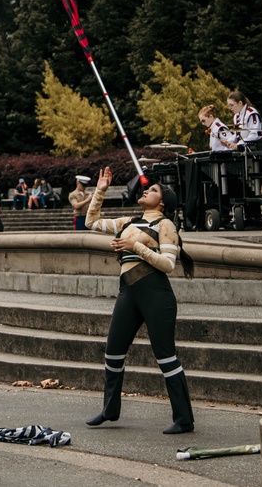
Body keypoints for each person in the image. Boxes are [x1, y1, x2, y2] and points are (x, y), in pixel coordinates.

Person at [84, 166, 195, 434]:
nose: (146, 191)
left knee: (166, 356)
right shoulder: (128, 222)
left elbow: (168, 264)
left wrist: (137, 247)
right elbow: (91, 222)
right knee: (113, 351)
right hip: (128, 293)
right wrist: (99, 192)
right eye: (147, 189)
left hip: (156, 293)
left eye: (153, 190)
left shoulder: (165, 225)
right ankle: (110, 410)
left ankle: (184, 419)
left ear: (164, 202)